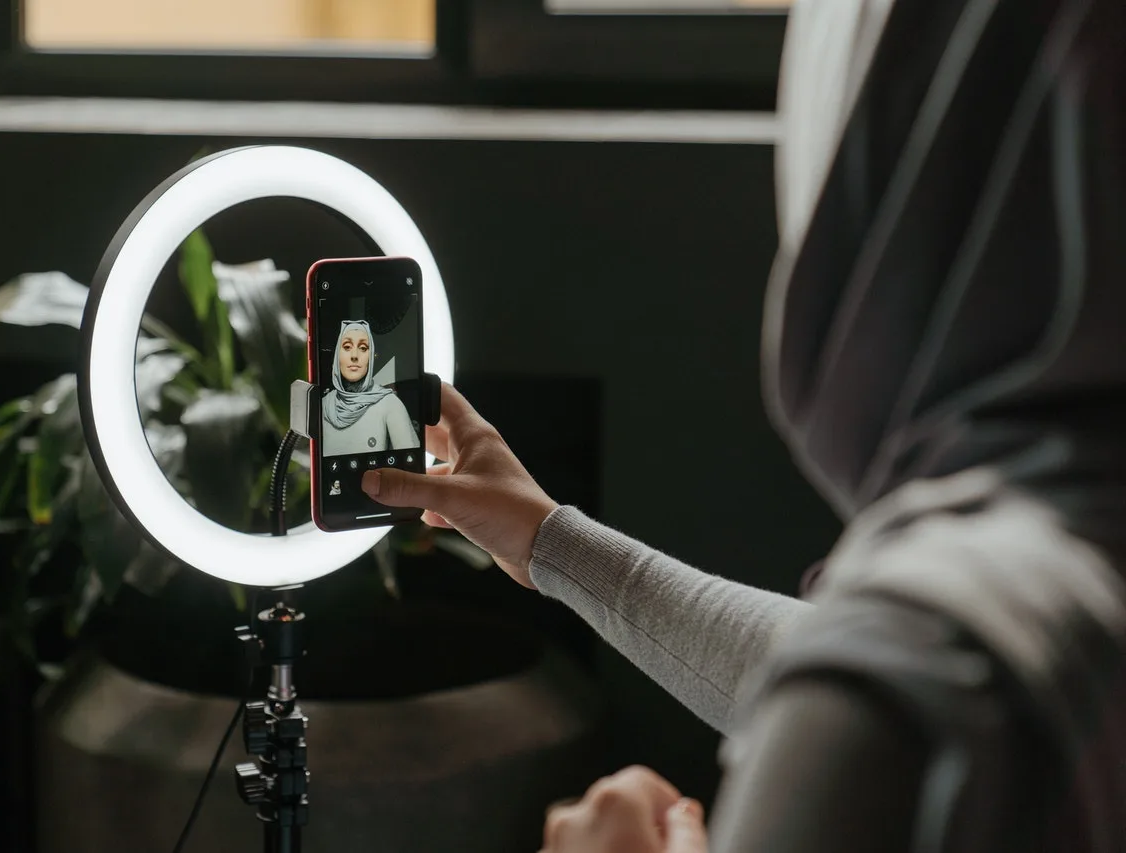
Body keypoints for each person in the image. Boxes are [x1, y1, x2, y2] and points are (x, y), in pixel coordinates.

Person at [359, 0, 1126, 850]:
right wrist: (550, 542)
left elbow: (883, 677)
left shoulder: (914, 692)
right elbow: (815, 655)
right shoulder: (1052, 560)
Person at [321, 320, 420, 457]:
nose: (354, 356)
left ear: (370, 356)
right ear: (338, 355)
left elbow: (410, 466)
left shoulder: (389, 404)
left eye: (363, 348)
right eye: (347, 346)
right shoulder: (323, 406)